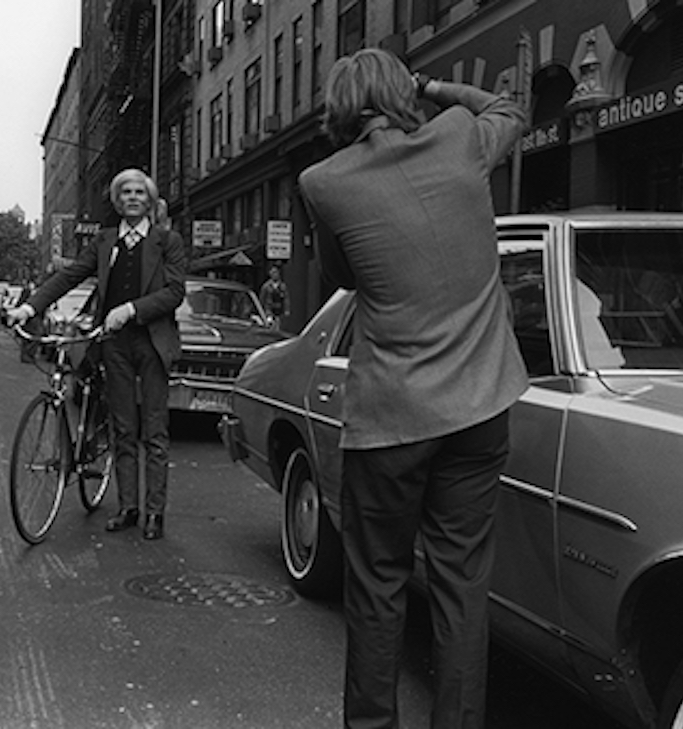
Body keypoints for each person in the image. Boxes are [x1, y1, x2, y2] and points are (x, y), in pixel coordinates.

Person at [297, 48, 529, 729]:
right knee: (463, 589)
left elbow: (343, 274)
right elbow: (509, 107)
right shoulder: (459, 135)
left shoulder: (323, 182)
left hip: (392, 421)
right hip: (480, 410)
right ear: (404, 93)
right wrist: (427, 84)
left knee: (377, 592)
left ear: (339, 109)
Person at [8, 168, 186, 540]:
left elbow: (174, 293)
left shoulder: (167, 241)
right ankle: (128, 507)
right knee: (123, 427)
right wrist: (31, 307)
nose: (133, 197)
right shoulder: (105, 242)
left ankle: (155, 513)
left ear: (149, 201)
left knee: (154, 430)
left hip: (152, 341)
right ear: (118, 201)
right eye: (126, 192)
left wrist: (130, 310)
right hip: (114, 344)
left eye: (140, 192)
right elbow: (68, 277)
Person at [259, 264, 289, 329]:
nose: (275, 275)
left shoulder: (282, 286)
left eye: (276, 273)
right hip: (269, 308)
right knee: (270, 323)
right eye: (273, 273)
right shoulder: (266, 286)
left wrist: (286, 309)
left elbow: (286, 298)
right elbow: (262, 298)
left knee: (278, 324)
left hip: (278, 309)